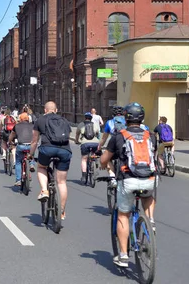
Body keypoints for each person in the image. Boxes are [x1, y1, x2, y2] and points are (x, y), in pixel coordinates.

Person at [100, 102, 157, 267]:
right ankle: (150, 220)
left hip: (128, 180)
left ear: (126, 118)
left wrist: (105, 165)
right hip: (149, 179)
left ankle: (123, 255)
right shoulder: (150, 135)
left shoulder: (119, 136)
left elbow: (105, 159)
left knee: (123, 215)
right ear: (142, 118)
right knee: (148, 196)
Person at [31, 101, 72, 219]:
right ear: (56, 110)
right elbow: (67, 136)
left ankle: (44, 190)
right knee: (62, 182)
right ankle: (62, 211)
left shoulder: (40, 120)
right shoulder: (64, 120)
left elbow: (34, 140)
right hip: (64, 151)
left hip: (47, 149)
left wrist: (31, 154)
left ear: (45, 110)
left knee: (41, 167)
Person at [98, 105, 127, 188]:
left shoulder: (110, 122)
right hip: (126, 146)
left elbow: (104, 138)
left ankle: (112, 176)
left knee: (108, 158)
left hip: (115, 145)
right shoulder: (127, 121)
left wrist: (100, 146)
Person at [9, 113, 35, 187]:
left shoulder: (16, 126)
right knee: (31, 153)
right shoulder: (33, 126)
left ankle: (18, 180)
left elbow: (12, 135)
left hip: (21, 145)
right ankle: (32, 164)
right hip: (30, 145)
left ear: (20, 119)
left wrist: (10, 141)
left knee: (18, 162)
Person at [75, 112, 100, 183]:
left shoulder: (81, 124)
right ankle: (96, 166)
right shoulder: (95, 124)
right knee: (95, 155)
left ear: (85, 118)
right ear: (91, 118)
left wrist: (76, 141)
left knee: (84, 159)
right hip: (95, 143)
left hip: (85, 143)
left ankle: (83, 176)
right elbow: (98, 133)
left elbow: (77, 134)